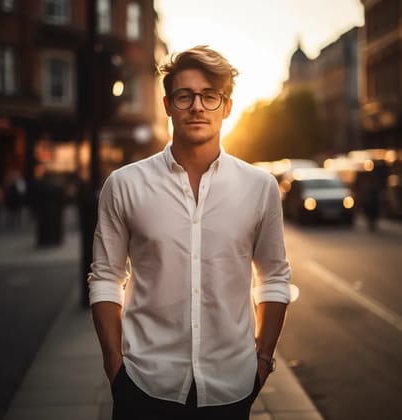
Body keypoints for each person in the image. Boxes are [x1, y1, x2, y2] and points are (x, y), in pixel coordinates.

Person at [88, 45, 291, 420]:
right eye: (185, 96)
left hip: (231, 386)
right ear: (168, 104)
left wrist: (262, 360)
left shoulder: (260, 187)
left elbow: (274, 277)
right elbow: (105, 278)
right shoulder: (125, 184)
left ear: (227, 107)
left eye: (209, 96)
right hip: (144, 384)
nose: (197, 107)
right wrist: (115, 366)